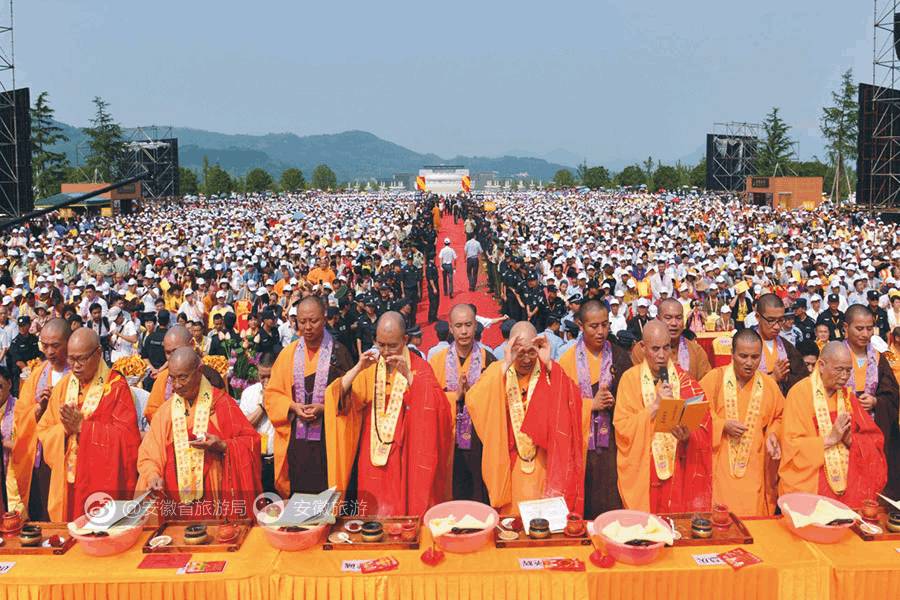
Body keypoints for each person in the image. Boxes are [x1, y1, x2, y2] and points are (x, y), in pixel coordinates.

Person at [329, 312, 452, 516]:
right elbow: (338, 397)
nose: (385, 352)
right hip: (372, 450)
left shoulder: (419, 367)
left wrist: (409, 377)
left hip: (405, 454)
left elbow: (439, 409)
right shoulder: (370, 368)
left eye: (392, 345)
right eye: (381, 344)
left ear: (405, 340)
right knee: (372, 513)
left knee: (400, 510)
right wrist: (358, 367)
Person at [466, 321, 589, 515]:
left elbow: (571, 399)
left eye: (531, 352)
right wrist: (506, 362)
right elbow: (475, 399)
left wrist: (549, 363)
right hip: (511, 463)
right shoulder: (499, 371)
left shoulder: (548, 373)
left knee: (543, 519)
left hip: (543, 464)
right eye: (519, 352)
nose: (526, 359)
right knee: (512, 520)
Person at [137, 348, 260, 519]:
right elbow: (149, 453)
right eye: (172, 378)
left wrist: (223, 445)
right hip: (175, 505)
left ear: (199, 371)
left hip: (216, 500)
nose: (177, 385)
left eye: (183, 377)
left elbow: (251, 442)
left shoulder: (221, 404)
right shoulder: (165, 411)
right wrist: (153, 475)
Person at [37, 329, 141, 521]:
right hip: (69, 481)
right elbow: (44, 430)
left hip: (100, 481)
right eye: (71, 359)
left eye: (82, 359)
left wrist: (84, 428)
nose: (75, 366)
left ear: (98, 353)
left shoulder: (116, 387)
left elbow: (129, 440)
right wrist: (64, 430)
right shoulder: (64, 385)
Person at [614, 320, 712, 513]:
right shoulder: (629, 379)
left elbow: (703, 423)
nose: (661, 355)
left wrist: (688, 436)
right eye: (655, 349)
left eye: (666, 348)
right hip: (644, 471)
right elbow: (622, 427)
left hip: (678, 469)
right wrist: (654, 407)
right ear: (643, 347)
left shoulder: (684, 380)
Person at [264, 296, 354, 496]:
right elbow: (271, 395)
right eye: (302, 321)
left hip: (329, 439)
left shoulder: (339, 353)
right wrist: (292, 406)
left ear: (324, 318)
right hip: (298, 442)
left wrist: (326, 408)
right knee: (300, 497)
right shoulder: (288, 354)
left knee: (329, 495)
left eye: (313, 321)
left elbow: (353, 400)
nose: (307, 327)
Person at [780, 340, 887, 506]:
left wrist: (851, 441)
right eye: (839, 369)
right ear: (821, 365)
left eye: (848, 370)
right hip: (811, 486)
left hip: (847, 487)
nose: (844, 376)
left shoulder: (848, 397)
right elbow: (790, 446)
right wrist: (829, 439)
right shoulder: (799, 394)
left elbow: (874, 440)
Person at [559, 300, 633, 518]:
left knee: (612, 506)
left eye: (605, 325)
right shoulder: (567, 361)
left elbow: (632, 402)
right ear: (580, 325)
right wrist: (590, 405)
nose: (601, 332)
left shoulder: (620, 357)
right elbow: (559, 409)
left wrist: (616, 402)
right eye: (593, 326)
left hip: (613, 447)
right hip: (580, 448)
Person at [700, 329, 784, 516]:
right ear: (732, 353)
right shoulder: (714, 379)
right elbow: (696, 414)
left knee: (753, 521)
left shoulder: (769, 385)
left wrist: (773, 434)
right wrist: (722, 425)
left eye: (755, 357)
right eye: (743, 356)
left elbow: (780, 416)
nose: (749, 362)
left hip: (754, 467)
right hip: (719, 467)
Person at [429, 304, 495, 503]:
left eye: (468, 325)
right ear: (450, 328)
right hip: (449, 438)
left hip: (479, 439)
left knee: (479, 491)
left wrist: (476, 396)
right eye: (458, 326)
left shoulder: (489, 360)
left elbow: (497, 401)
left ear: (476, 325)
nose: (464, 331)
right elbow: (430, 401)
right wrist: (455, 397)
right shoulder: (437, 361)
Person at [6, 319, 70, 520]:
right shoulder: (38, 375)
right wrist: (38, 409)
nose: (49, 352)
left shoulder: (78, 373)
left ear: (69, 342)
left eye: (55, 345)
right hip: (40, 455)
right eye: (45, 345)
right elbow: (20, 415)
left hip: (69, 454)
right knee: (41, 512)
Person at [142, 325, 225, 423]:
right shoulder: (163, 377)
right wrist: (173, 420)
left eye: (176, 350)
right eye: (168, 352)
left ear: (192, 344)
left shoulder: (210, 376)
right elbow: (151, 412)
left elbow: (221, 415)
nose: (173, 356)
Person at [632, 298, 711, 382]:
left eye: (679, 318)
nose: (674, 323)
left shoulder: (696, 351)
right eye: (668, 318)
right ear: (658, 319)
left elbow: (706, 384)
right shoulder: (643, 350)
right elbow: (639, 384)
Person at [754, 293, 807, 395]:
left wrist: (786, 378)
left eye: (781, 320)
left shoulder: (787, 346)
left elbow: (802, 379)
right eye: (771, 320)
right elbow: (739, 380)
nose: (777, 327)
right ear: (757, 317)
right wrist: (772, 378)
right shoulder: (747, 344)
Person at [238, 352, 277, 493]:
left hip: (278, 459)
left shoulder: (286, 392)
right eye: (262, 376)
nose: (266, 381)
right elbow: (242, 427)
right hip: (256, 459)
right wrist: (262, 406)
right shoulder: (249, 393)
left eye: (270, 376)